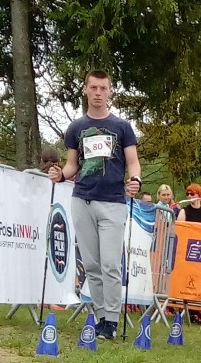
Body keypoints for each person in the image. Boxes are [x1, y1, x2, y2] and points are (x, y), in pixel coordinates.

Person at [47, 70, 141, 340]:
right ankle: (101, 317)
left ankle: (111, 319)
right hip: (82, 198)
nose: (98, 93)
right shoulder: (76, 127)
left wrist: (134, 180)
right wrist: (60, 175)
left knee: (110, 263)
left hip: (112, 200)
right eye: (94, 88)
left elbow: (133, 162)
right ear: (86, 90)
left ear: (110, 91)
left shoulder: (122, 127)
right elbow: (72, 164)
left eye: (103, 88)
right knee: (91, 264)